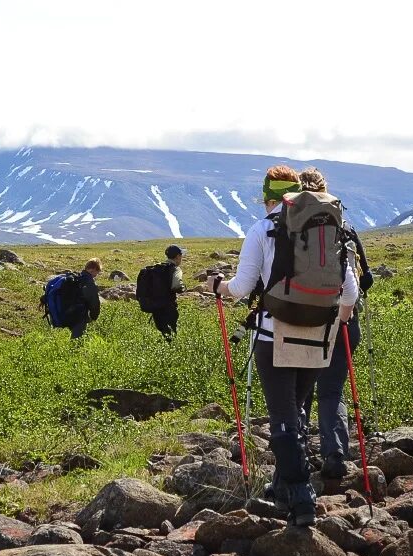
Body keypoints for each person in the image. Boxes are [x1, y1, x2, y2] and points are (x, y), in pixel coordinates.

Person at [211, 165, 358, 526]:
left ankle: (301, 494)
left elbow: (243, 287)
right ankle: (280, 487)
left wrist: (220, 288)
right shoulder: (330, 229)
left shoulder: (262, 229)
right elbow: (350, 294)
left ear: (268, 197)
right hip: (317, 337)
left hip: (273, 335)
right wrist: (330, 319)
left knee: (282, 419)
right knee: (299, 410)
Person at [296, 168, 373, 479]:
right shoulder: (343, 228)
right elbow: (360, 283)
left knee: (300, 391)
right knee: (331, 391)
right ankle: (336, 453)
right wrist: (343, 316)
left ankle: (296, 455)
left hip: (303, 322)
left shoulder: (292, 229)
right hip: (342, 322)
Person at [152, 245, 186, 340]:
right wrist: (183, 288)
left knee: (164, 332)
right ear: (178, 256)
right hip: (168, 307)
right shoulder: (175, 269)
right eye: (181, 255)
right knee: (172, 334)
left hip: (155, 307)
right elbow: (176, 286)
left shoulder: (156, 268)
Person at [69, 258, 102, 339]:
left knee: (76, 335)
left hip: (68, 311)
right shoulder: (89, 282)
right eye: (97, 273)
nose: (96, 275)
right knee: (77, 339)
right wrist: (94, 316)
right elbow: (94, 302)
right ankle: (75, 351)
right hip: (80, 314)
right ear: (94, 269)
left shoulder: (77, 277)